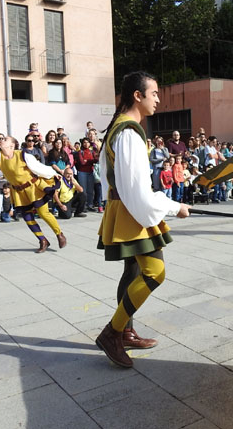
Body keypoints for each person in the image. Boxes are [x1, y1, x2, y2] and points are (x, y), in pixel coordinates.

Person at [96, 71, 190, 368]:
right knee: (154, 272)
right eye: (155, 94)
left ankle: (124, 332)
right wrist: (174, 207)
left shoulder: (119, 127)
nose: (158, 100)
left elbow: (109, 177)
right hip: (133, 210)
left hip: (124, 207)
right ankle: (112, 333)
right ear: (138, 96)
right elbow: (138, 190)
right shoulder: (128, 132)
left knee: (133, 270)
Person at [74, 137, 98, 210]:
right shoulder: (80, 152)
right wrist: (90, 161)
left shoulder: (92, 151)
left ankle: (90, 204)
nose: (86, 144)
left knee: (90, 190)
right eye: (84, 142)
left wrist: (87, 160)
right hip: (82, 172)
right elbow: (82, 162)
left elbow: (96, 160)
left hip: (90, 172)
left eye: (87, 142)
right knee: (83, 190)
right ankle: (83, 205)